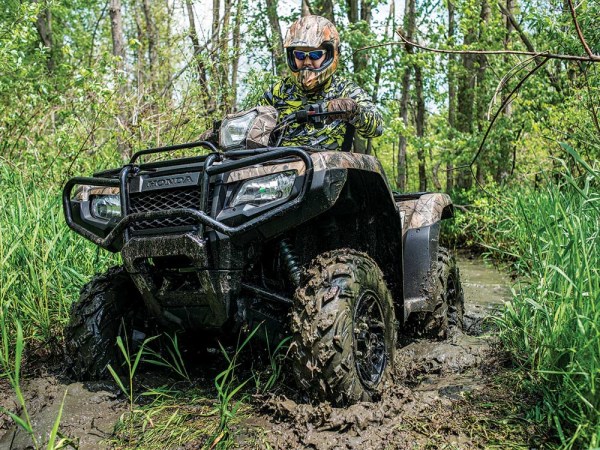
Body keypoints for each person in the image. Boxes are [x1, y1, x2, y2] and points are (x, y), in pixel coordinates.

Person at [260, 15, 383, 151]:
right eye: (300, 55)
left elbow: (376, 128)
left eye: (316, 55)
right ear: (291, 56)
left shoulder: (346, 90)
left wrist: (353, 111)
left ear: (330, 54)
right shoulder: (277, 92)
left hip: (333, 162)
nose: (307, 62)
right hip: (282, 162)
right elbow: (254, 134)